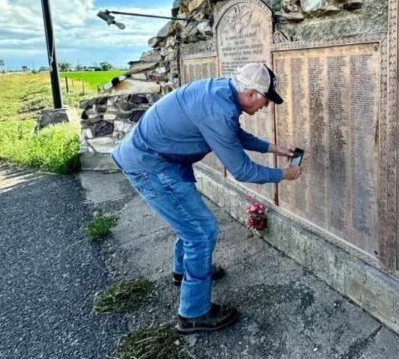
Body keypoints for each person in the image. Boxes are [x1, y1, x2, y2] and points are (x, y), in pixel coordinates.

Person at [111, 63, 302, 334]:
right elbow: (242, 170)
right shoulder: (219, 110)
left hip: (157, 158)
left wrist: (273, 148)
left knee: (189, 224)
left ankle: (182, 272)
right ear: (249, 93)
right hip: (151, 166)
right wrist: (284, 174)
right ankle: (193, 313)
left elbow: (233, 136)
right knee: (201, 232)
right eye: (265, 100)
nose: (265, 107)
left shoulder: (222, 92)